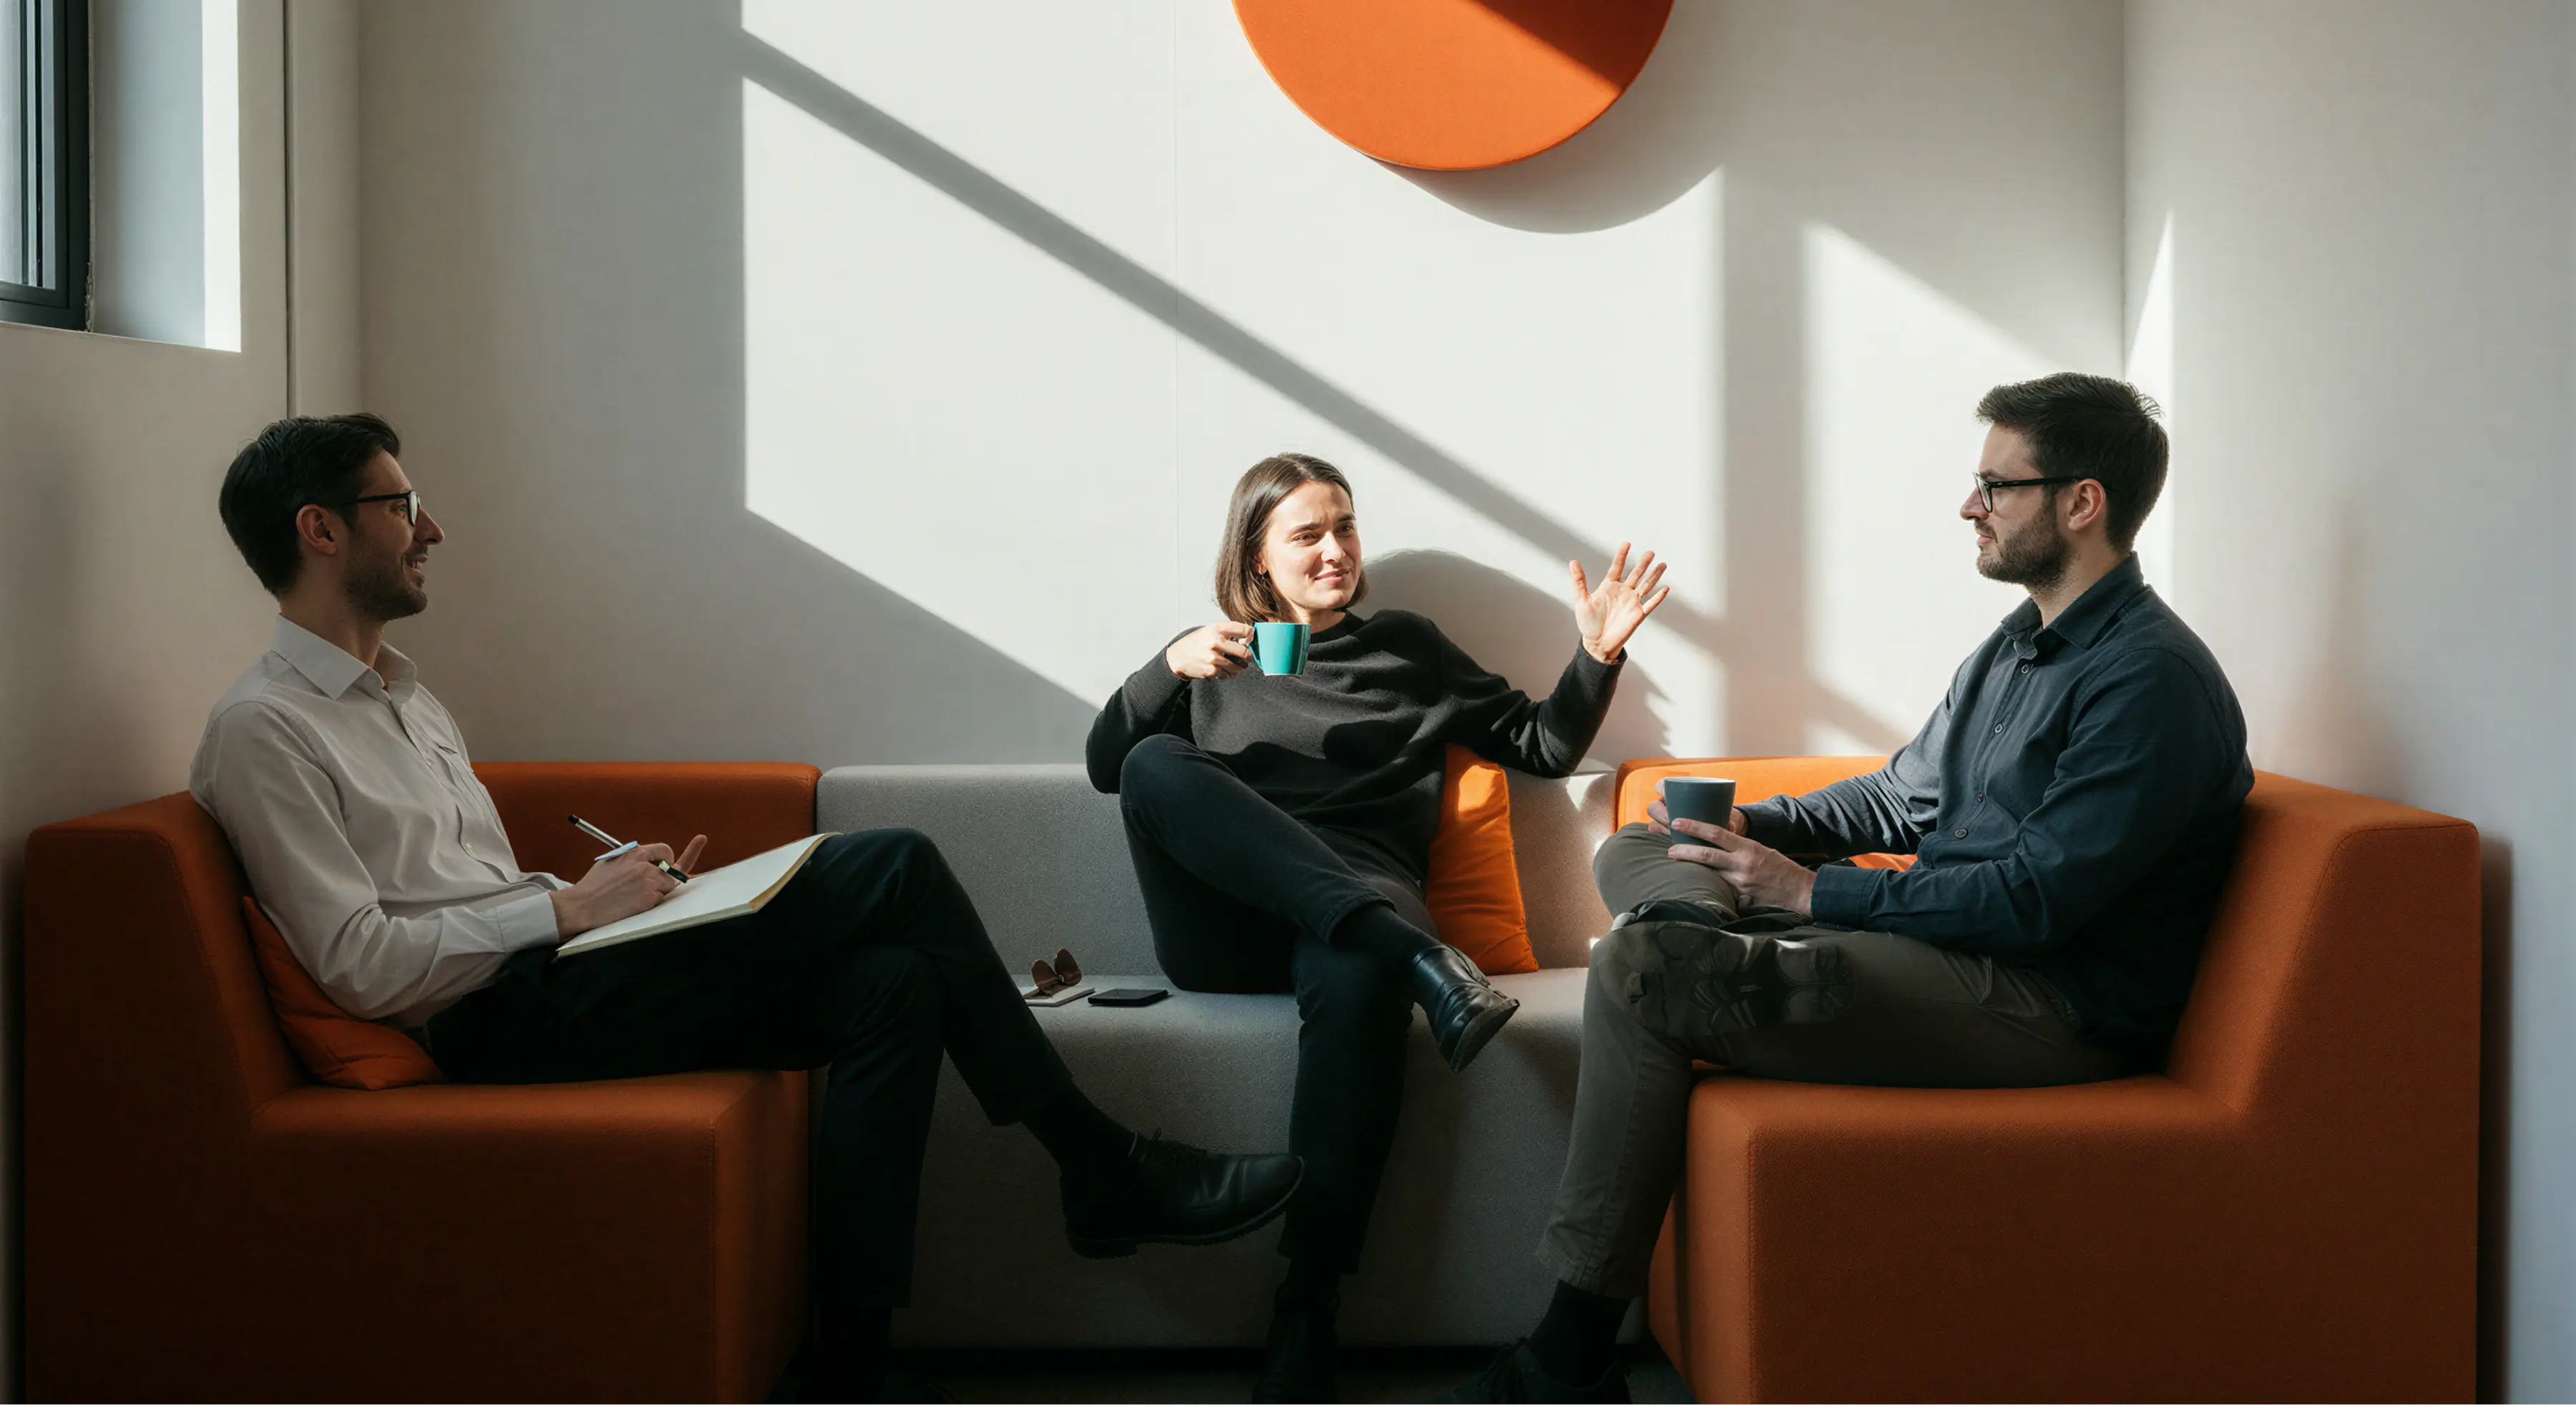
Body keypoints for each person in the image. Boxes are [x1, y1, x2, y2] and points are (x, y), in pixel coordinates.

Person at [190, 413, 1304, 1405]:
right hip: (486, 1022)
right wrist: (566, 916)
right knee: (898, 864)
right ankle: (1102, 1167)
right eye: (402, 505)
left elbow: (462, 892)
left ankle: (855, 1372)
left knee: (894, 986)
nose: (430, 528)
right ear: (320, 530)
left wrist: (608, 897)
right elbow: (360, 966)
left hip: (547, 977)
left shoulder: (408, 696)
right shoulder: (266, 731)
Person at [1422, 373, 2254, 1404]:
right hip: (1944, 954)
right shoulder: (2016, 646)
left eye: (1997, 486)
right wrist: (1749, 829)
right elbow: (1899, 797)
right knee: (1641, 843)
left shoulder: (2150, 680)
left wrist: (1812, 896)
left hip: (2040, 1004)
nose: (1970, 506)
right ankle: (1689, 931)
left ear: (2082, 502)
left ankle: (1564, 1361)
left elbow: (2037, 901)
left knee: (1643, 969)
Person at [1085, 453, 1672, 1405]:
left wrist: (1597, 654)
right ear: (1257, 556)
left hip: (1360, 904)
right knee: (1156, 761)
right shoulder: (1210, 660)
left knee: (1357, 965)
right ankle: (1420, 962)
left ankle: (1306, 1307)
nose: (1335, 551)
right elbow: (1108, 769)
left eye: (1346, 527)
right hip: (1228, 925)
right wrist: (1164, 670)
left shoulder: (1407, 648)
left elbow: (1541, 744)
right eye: (1307, 534)